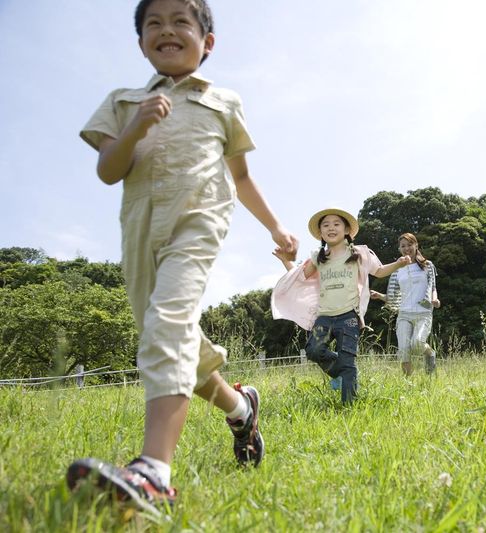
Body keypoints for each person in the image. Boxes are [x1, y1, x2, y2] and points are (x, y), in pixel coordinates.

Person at [67, 0, 298, 516]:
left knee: (168, 324)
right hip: (140, 231)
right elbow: (108, 169)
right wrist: (136, 128)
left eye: (181, 21)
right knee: (173, 340)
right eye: (153, 23)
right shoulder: (122, 101)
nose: (166, 29)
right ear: (141, 42)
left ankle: (153, 474)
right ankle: (242, 409)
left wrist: (277, 227)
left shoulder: (224, 102)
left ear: (206, 42)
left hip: (198, 223)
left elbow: (240, 177)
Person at [271, 208, 411, 403]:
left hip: (348, 317)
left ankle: (348, 406)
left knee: (347, 360)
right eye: (326, 225)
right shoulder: (319, 256)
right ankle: (344, 373)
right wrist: (286, 261)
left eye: (336, 224)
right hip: (324, 316)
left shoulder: (359, 253)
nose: (331, 228)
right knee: (313, 350)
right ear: (320, 233)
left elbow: (378, 271)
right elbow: (300, 277)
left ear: (346, 230)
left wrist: (397, 264)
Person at [370, 233, 441, 375]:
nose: (406, 248)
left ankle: (430, 353)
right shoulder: (396, 270)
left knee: (417, 343)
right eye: (403, 246)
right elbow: (393, 297)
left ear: (416, 246)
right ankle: (409, 382)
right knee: (403, 350)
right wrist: (379, 296)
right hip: (404, 313)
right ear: (399, 249)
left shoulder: (427, 265)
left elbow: (433, 287)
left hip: (424, 312)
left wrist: (435, 299)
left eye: (409, 245)